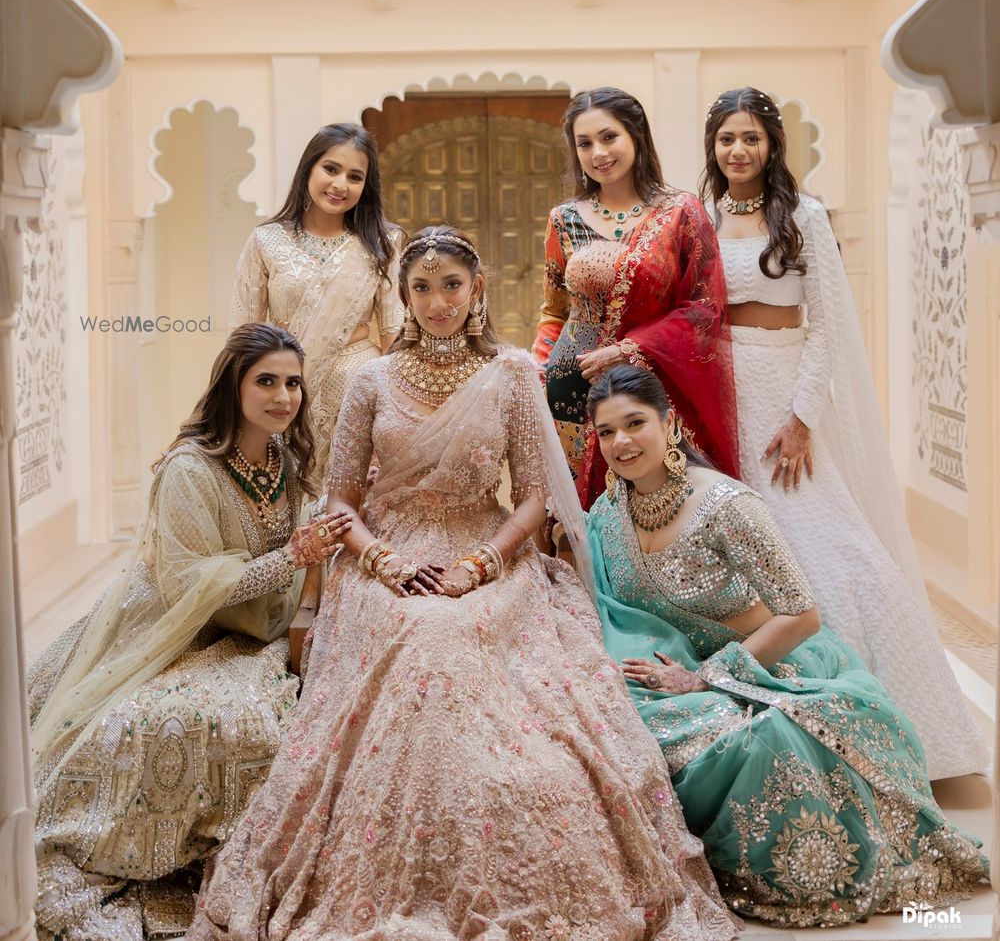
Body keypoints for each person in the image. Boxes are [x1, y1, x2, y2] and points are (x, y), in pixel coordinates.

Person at [191, 227, 738, 941]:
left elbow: (538, 496)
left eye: (451, 284)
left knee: (461, 631)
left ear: (476, 288)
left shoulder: (513, 373)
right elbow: (342, 499)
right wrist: (382, 562)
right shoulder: (372, 381)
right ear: (404, 296)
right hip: (387, 557)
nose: (438, 301)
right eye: (421, 287)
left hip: (490, 553)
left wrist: (481, 563)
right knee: (418, 631)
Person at [585, 364, 987, 928]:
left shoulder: (727, 505)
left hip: (767, 663)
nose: (622, 442)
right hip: (672, 667)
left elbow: (802, 615)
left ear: (669, 424)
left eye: (634, 423)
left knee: (759, 743)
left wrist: (707, 677)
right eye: (606, 431)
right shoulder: (608, 514)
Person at [698, 85, 986, 779]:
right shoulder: (700, 218)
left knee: (837, 550)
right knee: (745, 548)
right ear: (713, 147)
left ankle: (885, 724)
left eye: (751, 138)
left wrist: (802, 418)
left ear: (772, 145)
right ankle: (767, 720)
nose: (738, 150)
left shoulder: (802, 215)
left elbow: (826, 324)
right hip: (725, 394)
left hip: (785, 398)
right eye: (726, 139)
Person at [29, 323, 348, 941]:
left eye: (293, 383)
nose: (283, 396)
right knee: (180, 721)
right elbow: (191, 588)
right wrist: (294, 557)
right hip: (171, 630)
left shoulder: (285, 458)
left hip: (250, 627)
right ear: (234, 383)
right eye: (266, 381)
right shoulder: (190, 469)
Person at [533, 86, 738, 509]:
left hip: (652, 388)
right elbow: (554, 311)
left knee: (663, 508)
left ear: (636, 136)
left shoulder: (681, 212)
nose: (598, 153)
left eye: (609, 137)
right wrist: (537, 369)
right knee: (580, 521)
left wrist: (629, 349)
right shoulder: (564, 220)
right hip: (572, 389)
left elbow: (705, 309)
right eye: (584, 144)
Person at [230, 122, 404, 479]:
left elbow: (395, 340)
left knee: (349, 507)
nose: (341, 185)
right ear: (308, 168)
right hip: (284, 393)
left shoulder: (384, 243)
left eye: (355, 177)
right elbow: (243, 339)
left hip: (357, 390)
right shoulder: (266, 241)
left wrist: (396, 418)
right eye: (331, 169)